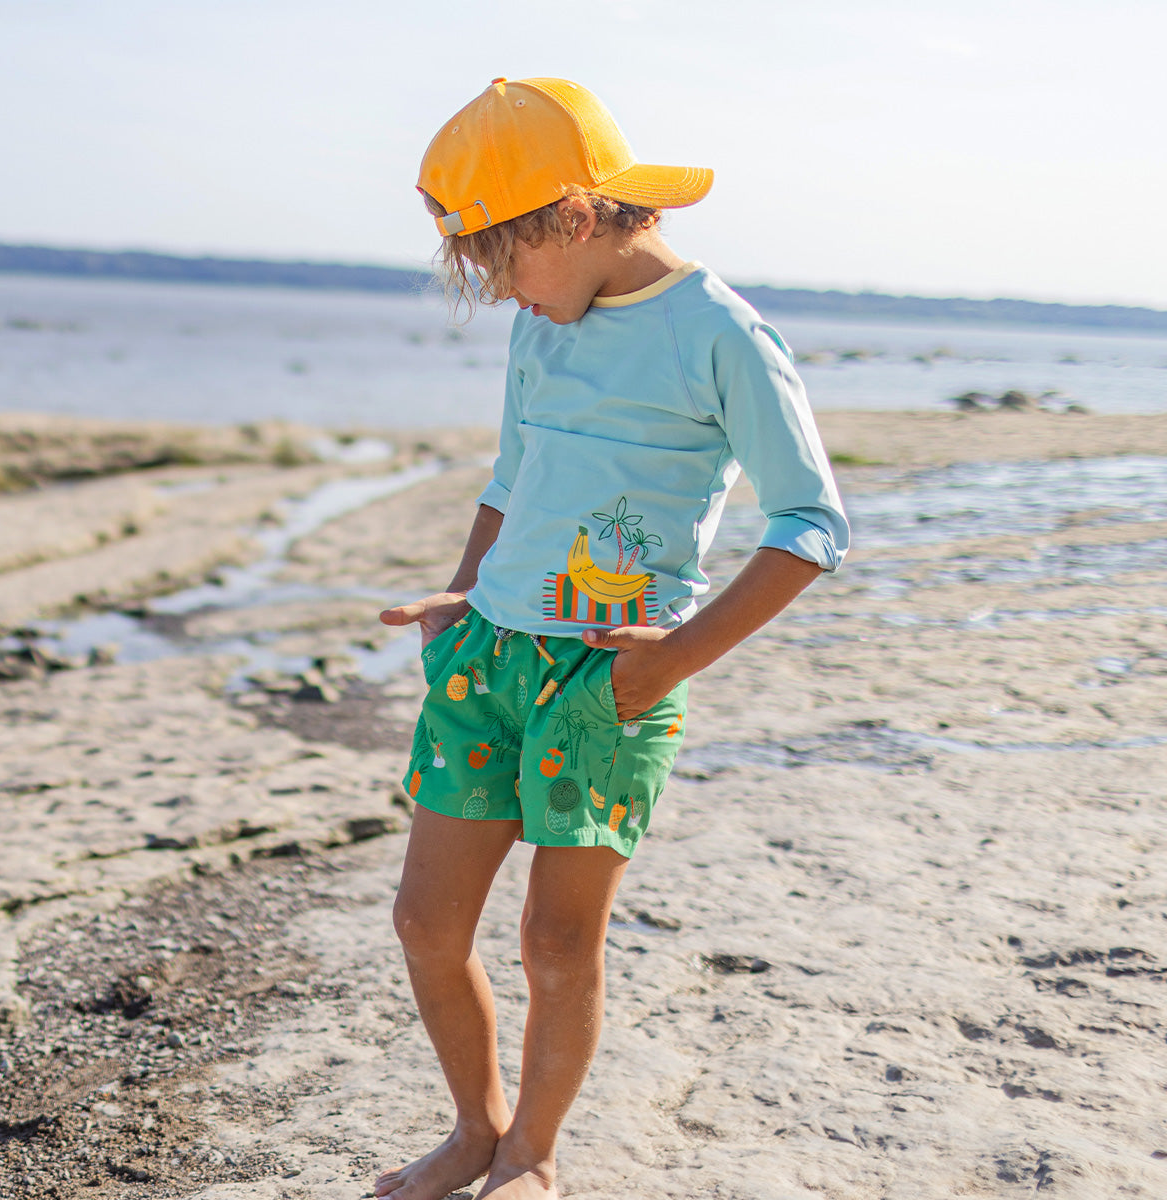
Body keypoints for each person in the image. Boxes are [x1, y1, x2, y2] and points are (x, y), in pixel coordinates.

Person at [375, 76, 850, 1200]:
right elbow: (510, 477)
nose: (504, 296)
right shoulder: (548, 324)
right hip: (487, 659)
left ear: (575, 220)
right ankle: (474, 1128)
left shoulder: (720, 333)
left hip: (611, 679)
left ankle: (533, 1154)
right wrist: (458, 601)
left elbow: (812, 524)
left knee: (554, 940)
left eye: (506, 266)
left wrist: (670, 662)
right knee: (424, 922)